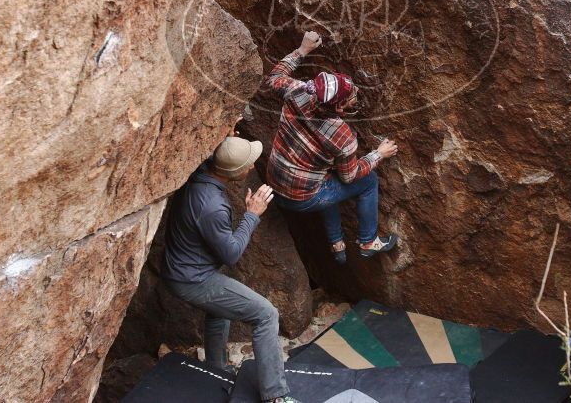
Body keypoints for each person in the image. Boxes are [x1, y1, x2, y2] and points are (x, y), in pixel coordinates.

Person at [161, 134, 301, 403]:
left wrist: (230, 135)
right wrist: (252, 214)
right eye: (247, 164)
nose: (251, 167)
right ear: (235, 172)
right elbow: (232, 253)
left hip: (181, 270)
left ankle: (215, 371)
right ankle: (276, 396)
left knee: (221, 309)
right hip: (192, 280)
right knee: (266, 314)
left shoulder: (199, 172)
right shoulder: (213, 207)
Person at [266, 31, 399, 264]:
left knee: (327, 175)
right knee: (368, 182)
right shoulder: (342, 136)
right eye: (350, 96)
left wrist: (303, 49)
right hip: (302, 198)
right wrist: (378, 154)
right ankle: (368, 241)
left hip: (274, 186)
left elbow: (275, 76)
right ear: (339, 108)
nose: (355, 93)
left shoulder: (298, 91)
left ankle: (337, 243)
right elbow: (350, 177)